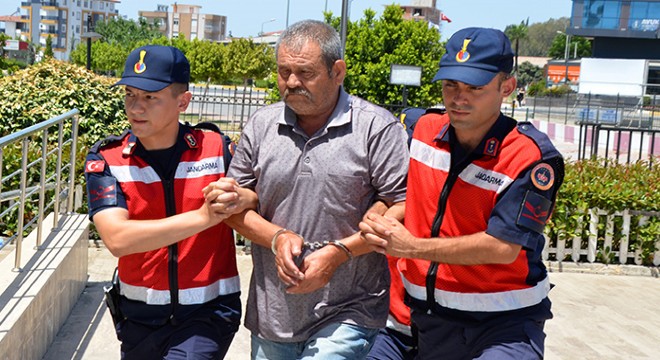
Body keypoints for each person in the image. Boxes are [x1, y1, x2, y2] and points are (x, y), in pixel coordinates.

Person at [360, 27, 564, 360]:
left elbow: (502, 247)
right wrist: (382, 212)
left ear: (507, 87)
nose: (458, 98)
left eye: (475, 88)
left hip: (500, 330)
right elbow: (415, 194)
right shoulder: (422, 129)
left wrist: (411, 247)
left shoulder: (531, 158)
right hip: (412, 325)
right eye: (450, 85)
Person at [211, 20, 409, 359]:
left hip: (351, 310)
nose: (291, 82)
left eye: (304, 72)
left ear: (338, 71)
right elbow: (235, 209)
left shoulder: (376, 128)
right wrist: (277, 237)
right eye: (283, 71)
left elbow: (401, 203)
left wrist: (338, 253)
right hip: (274, 315)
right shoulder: (261, 126)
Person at [84, 45, 257, 359]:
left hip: (207, 316)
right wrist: (204, 217)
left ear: (183, 102)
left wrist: (246, 197)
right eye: (130, 95)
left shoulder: (217, 149)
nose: (136, 107)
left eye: (150, 97)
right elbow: (117, 239)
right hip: (137, 322)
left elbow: (261, 198)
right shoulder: (107, 159)